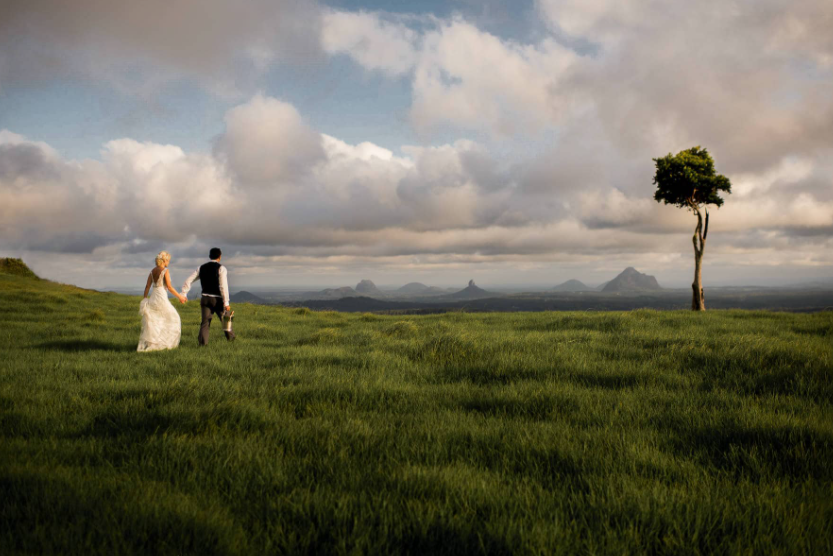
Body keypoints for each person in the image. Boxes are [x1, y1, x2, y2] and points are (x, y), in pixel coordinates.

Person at [182, 247, 236, 345]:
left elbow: (188, 280)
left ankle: (203, 344)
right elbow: (223, 286)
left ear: (209, 256)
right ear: (220, 256)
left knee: (205, 323)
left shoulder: (201, 268)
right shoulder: (221, 268)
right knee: (226, 320)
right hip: (217, 300)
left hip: (205, 299)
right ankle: (232, 340)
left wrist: (184, 293)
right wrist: (226, 302)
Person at [137, 251, 187, 352]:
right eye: (168, 260)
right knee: (174, 318)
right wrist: (180, 297)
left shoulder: (152, 271)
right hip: (161, 296)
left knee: (155, 320)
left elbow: (147, 286)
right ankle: (166, 344)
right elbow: (169, 287)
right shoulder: (165, 271)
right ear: (164, 260)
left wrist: (145, 299)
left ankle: (156, 344)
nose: (169, 262)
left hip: (153, 296)